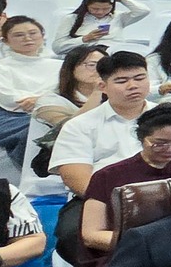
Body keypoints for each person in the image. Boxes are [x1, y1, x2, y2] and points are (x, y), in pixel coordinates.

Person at [75, 103, 171, 258]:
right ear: (141, 138)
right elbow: (91, 235)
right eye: (159, 144)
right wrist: (153, 245)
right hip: (130, 253)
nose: (170, 149)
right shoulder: (108, 176)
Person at [51, 49, 154, 197]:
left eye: (140, 78)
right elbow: (76, 179)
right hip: (101, 198)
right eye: (121, 81)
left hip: (167, 195)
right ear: (102, 87)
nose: (132, 85)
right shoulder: (79, 126)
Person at [0, 15, 55, 161]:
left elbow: (66, 92)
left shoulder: (61, 66)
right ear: (5, 41)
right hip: (5, 117)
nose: (27, 38)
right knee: (38, 129)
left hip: (49, 112)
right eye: (19, 35)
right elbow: (8, 99)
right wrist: (43, 99)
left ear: (42, 36)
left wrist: (40, 100)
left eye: (33, 33)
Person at [52, 0, 150, 54]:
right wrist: (84, 39)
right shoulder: (71, 19)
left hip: (113, 55)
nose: (100, 12)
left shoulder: (118, 17)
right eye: (95, 8)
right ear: (86, 5)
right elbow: (58, 48)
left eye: (106, 8)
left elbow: (143, 11)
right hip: (85, 55)